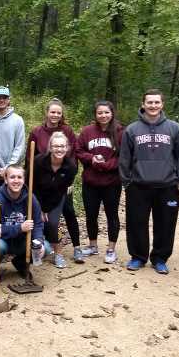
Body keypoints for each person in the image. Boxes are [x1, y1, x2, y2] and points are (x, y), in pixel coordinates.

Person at [119, 89, 179, 274]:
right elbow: (124, 158)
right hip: (138, 185)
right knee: (136, 222)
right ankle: (138, 257)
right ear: (143, 104)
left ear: (162, 104)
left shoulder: (174, 128)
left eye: (157, 102)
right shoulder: (132, 129)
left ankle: (159, 258)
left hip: (167, 185)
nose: (153, 106)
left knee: (165, 224)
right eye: (149, 102)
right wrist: (126, 182)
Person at [27, 98, 82, 261]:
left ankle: (77, 247)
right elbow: (30, 160)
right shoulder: (37, 132)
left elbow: (73, 156)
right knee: (45, 219)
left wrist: (69, 181)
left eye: (58, 112)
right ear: (47, 113)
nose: (55, 115)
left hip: (62, 181)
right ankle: (45, 245)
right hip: (42, 181)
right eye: (52, 112)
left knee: (68, 212)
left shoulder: (67, 131)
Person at [76, 100, 123, 264]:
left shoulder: (120, 131)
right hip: (91, 181)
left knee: (112, 215)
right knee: (91, 215)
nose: (103, 115)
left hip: (112, 181)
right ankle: (93, 245)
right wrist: (91, 159)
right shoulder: (87, 131)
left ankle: (111, 249)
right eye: (100, 113)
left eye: (106, 112)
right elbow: (78, 150)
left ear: (112, 113)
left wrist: (106, 165)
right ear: (95, 115)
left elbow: (123, 156)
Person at [0, 164, 49, 279]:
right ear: (5, 180)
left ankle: (20, 264)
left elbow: (38, 224)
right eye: (12, 177)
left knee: (45, 247)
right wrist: (20, 228)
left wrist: (39, 241)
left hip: (22, 241)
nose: (16, 181)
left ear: (24, 180)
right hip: (3, 241)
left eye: (19, 177)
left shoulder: (31, 198)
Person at [33, 132, 77, 268]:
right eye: (56, 146)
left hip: (56, 197)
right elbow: (32, 186)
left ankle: (58, 253)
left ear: (67, 148)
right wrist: (40, 208)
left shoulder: (70, 167)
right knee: (36, 222)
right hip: (36, 196)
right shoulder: (39, 161)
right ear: (50, 147)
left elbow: (61, 191)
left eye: (62, 146)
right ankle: (36, 251)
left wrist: (46, 209)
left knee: (52, 223)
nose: (59, 149)